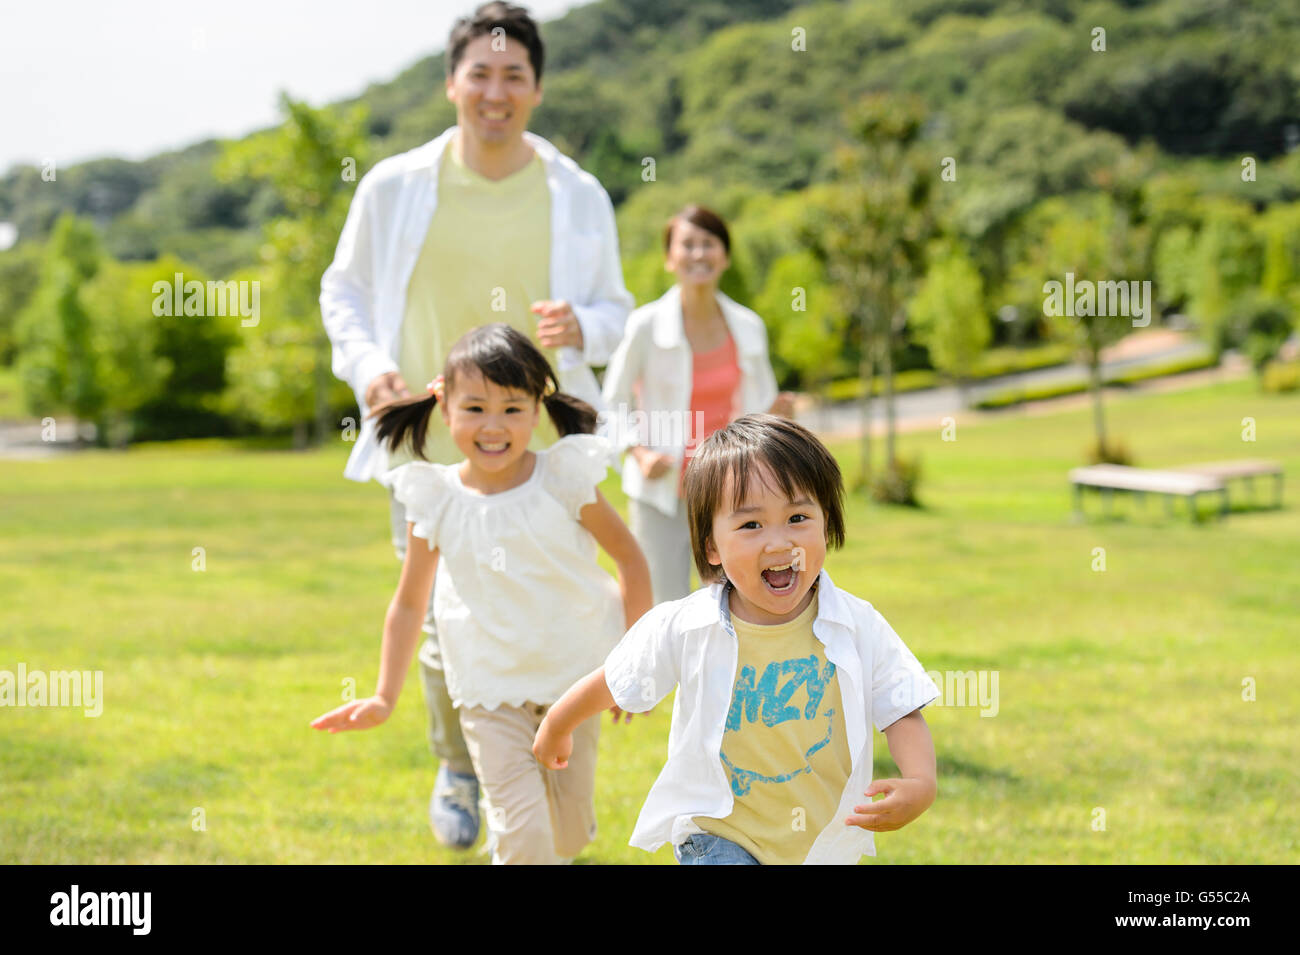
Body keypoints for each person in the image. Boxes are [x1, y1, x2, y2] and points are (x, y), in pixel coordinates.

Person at [318, 2, 633, 848]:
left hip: (543, 439)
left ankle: (556, 740)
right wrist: (367, 365)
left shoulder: (577, 192)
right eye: (480, 73)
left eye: (514, 75)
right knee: (435, 612)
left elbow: (617, 309)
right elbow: (341, 291)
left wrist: (585, 328)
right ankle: (463, 762)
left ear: (536, 88)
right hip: (428, 438)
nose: (496, 91)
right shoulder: (393, 184)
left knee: (555, 594)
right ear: (452, 82)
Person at [312, 324, 652, 865]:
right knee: (526, 839)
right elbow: (407, 603)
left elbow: (630, 558)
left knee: (566, 837)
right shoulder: (437, 497)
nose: (493, 427)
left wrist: (635, 663)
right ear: (443, 405)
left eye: (512, 409)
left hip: (575, 677)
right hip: (488, 687)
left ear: (537, 410)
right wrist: (382, 695)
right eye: (475, 408)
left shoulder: (563, 478)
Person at [534, 414, 940, 865]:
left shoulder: (857, 625)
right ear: (712, 548)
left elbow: (900, 705)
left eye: (798, 517)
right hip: (717, 831)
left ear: (827, 524)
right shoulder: (688, 625)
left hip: (817, 844)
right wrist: (557, 723)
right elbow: (615, 678)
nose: (778, 542)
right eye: (751, 526)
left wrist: (920, 782)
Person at [599, 205, 795, 606]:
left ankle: (725, 672)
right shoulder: (645, 325)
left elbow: (759, 409)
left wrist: (778, 416)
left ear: (724, 255)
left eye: (709, 244)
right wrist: (638, 452)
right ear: (670, 258)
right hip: (662, 490)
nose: (698, 254)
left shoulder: (748, 326)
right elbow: (613, 400)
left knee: (736, 598)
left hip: (732, 489)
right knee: (664, 604)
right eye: (687, 245)